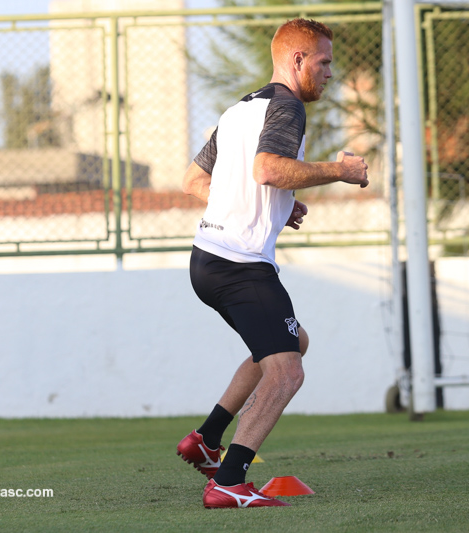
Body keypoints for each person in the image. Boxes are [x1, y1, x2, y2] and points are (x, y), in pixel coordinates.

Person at [177, 18, 369, 509]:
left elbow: (196, 181)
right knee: (287, 373)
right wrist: (340, 171)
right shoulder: (287, 106)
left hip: (207, 261)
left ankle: (207, 438)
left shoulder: (241, 109)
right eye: (324, 62)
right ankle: (229, 481)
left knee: (290, 344)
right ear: (298, 60)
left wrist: (280, 205)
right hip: (241, 268)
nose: (330, 72)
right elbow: (268, 169)